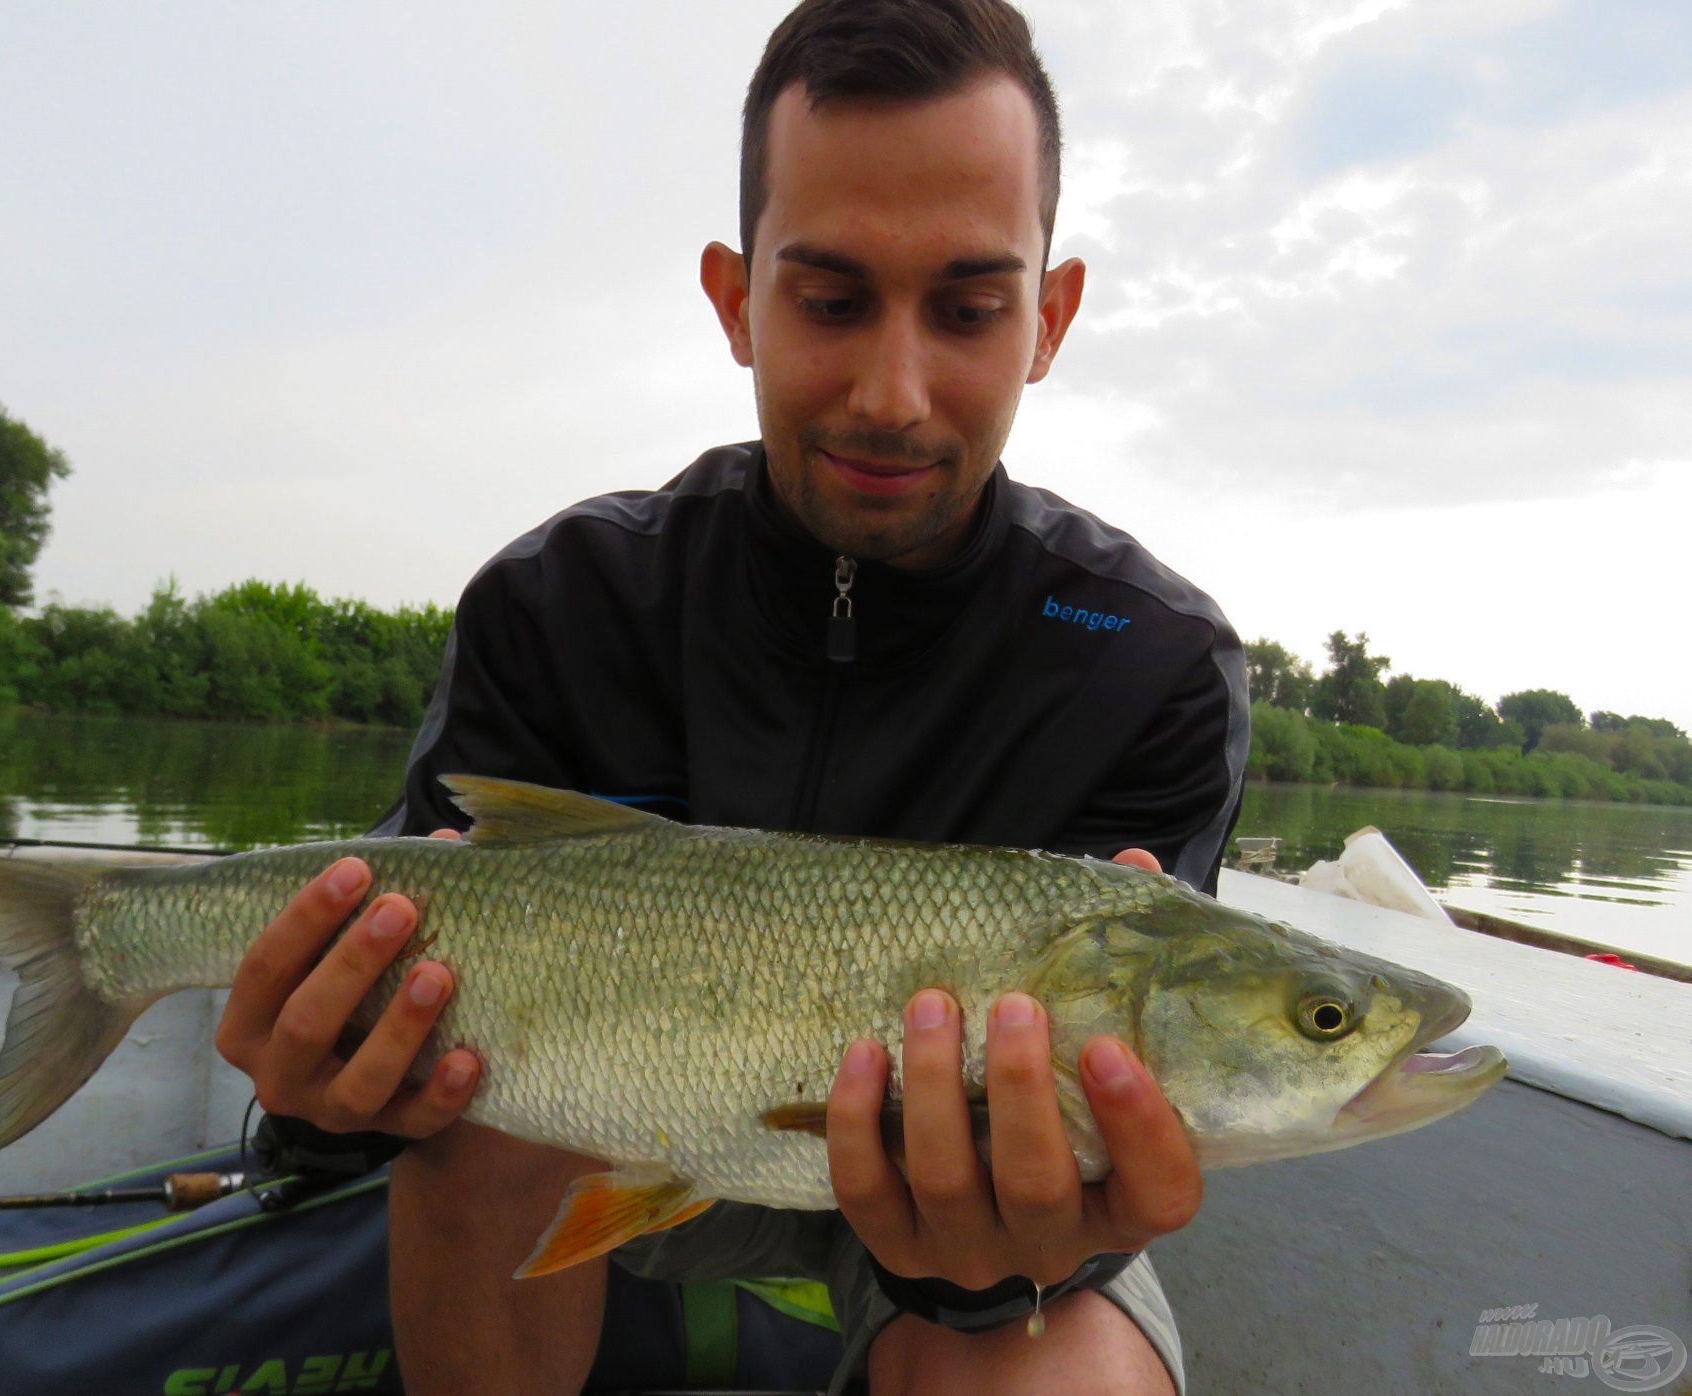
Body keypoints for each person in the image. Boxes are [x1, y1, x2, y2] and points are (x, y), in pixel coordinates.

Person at [213, 1, 1248, 1392]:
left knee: (1063, 1372)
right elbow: (388, 1037)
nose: (893, 392)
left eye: (968, 307)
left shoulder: (1154, 663)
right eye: (829, 299)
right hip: (584, 1138)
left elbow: (1071, 1176)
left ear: (1048, 316)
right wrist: (326, 1107)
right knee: (474, 1122)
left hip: (963, 1212)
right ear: (734, 299)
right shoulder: (560, 600)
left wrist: (1007, 1246)